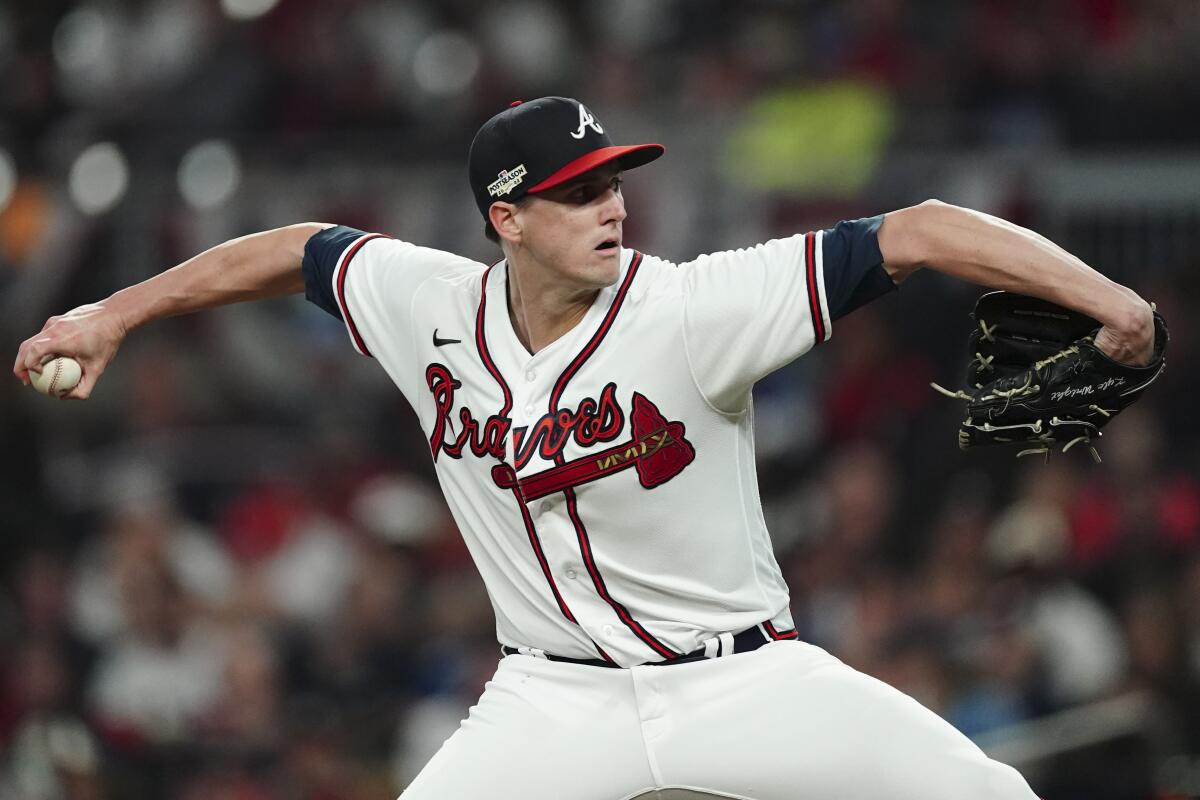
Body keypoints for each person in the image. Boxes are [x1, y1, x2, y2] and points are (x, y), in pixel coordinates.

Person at [15, 96, 1154, 800]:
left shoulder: (697, 306)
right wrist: (111, 314)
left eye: (611, 181)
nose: (610, 205)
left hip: (743, 676)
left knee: (988, 793)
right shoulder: (430, 304)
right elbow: (295, 248)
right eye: (573, 193)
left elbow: (920, 229)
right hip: (550, 701)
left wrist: (1108, 298)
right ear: (505, 220)